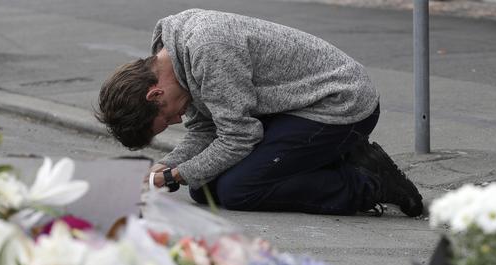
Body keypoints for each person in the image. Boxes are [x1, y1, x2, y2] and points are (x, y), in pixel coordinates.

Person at [96, 9, 424, 217]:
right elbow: (205, 131)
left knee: (238, 189)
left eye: (166, 118)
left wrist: (175, 176)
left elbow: (238, 137)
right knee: (205, 188)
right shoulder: (174, 61)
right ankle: (338, 157)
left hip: (340, 104)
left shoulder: (208, 52)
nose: (177, 120)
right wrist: (169, 164)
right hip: (292, 107)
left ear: (155, 93)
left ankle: (370, 183)